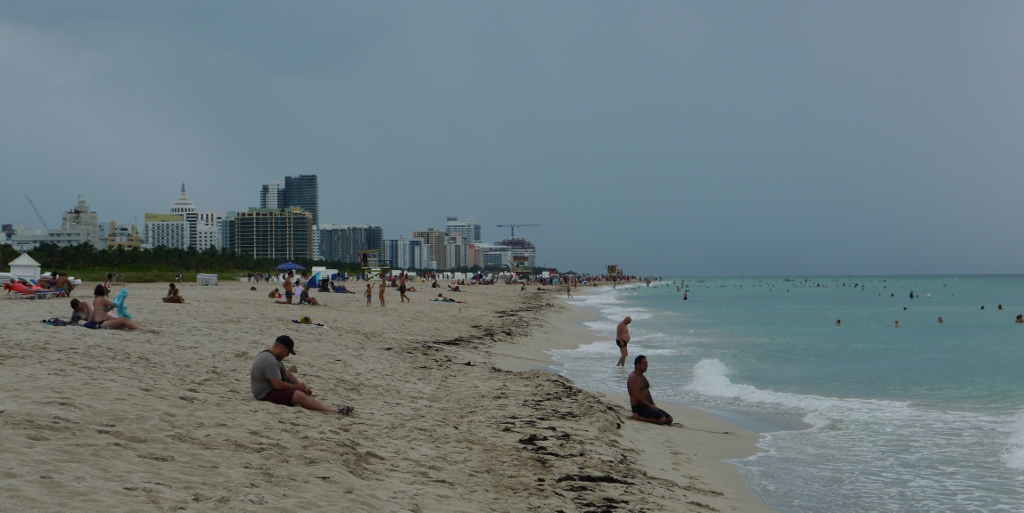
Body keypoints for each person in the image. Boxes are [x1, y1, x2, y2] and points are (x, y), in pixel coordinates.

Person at [250, 335, 353, 415]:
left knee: (302, 392)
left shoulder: (273, 356)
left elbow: (286, 372)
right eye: (287, 352)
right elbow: (277, 384)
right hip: (264, 394)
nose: (287, 355)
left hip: (270, 390)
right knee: (299, 395)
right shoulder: (269, 360)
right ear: (281, 347)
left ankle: (330, 408)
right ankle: (334, 411)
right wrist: (296, 387)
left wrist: (301, 386)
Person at [627, 355, 673, 425]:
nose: (647, 365)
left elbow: (646, 392)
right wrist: (650, 405)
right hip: (639, 407)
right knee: (662, 420)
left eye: (647, 363)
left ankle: (647, 415)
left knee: (669, 419)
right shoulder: (634, 377)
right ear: (638, 364)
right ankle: (638, 417)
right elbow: (636, 396)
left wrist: (653, 404)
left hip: (647, 405)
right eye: (645, 364)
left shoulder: (642, 376)